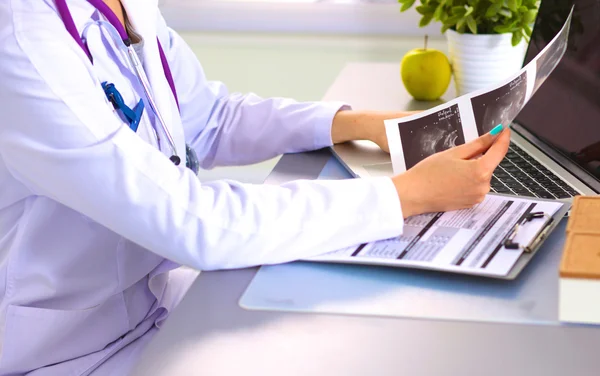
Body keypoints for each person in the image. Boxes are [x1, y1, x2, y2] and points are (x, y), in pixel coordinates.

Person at [0, 0, 510, 374]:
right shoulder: (22, 44)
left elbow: (208, 118)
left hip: (151, 303)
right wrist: (405, 195)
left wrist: (357, 123)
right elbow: (192, 223)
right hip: (67, 351)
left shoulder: (124, 7)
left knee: (355, 328)